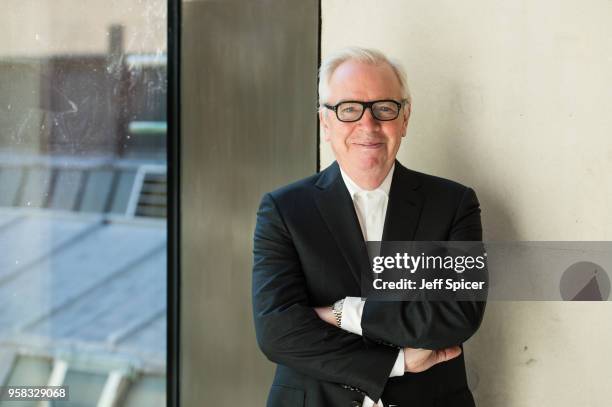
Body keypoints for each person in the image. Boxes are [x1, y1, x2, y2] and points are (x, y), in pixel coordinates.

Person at [252, 46, 486, 407]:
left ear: (405, 118)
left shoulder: (454, 204)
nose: (368, 125)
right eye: (349, 110)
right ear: (325, 123)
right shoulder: (283, 210)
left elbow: (458, 314)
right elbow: (278, 332)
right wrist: (397, 362)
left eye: (384, 109)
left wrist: (344, 313)